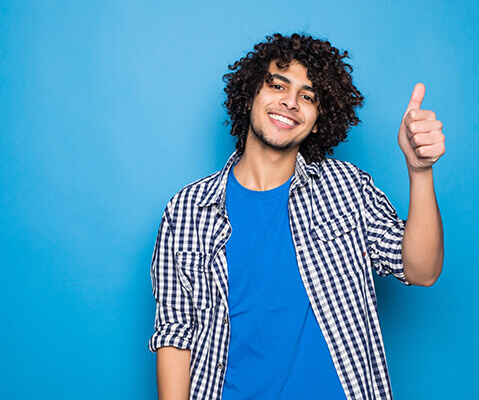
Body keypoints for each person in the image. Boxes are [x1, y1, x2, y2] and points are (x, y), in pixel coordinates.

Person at [149, 33, 445, 400]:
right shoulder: (187, 211)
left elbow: (422, 270)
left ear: (319, 120)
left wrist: (419, 171)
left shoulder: (346, 187)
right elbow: (175, 335)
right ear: (250, 97)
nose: (290, 102)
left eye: (308, 96)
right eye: (277, 86)